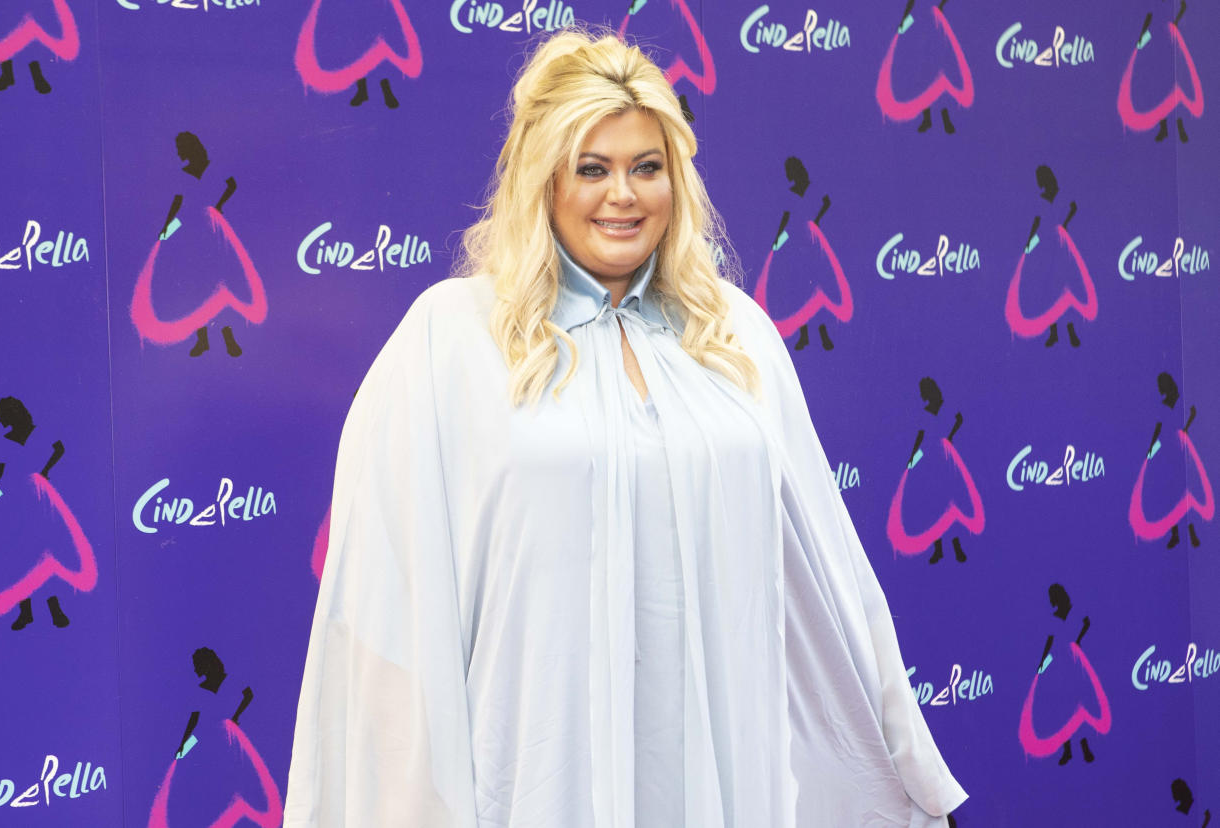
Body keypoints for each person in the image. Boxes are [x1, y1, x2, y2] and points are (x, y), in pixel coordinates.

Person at [285, 28, 965, 827]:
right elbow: (387, 612)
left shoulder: (736, 335)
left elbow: (825, 574)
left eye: (648, 168)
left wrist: (907, 769)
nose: (624, 195)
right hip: (540, 778)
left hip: (722, 776)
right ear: (544, 182)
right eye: (593, 169)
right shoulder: (448, 341)